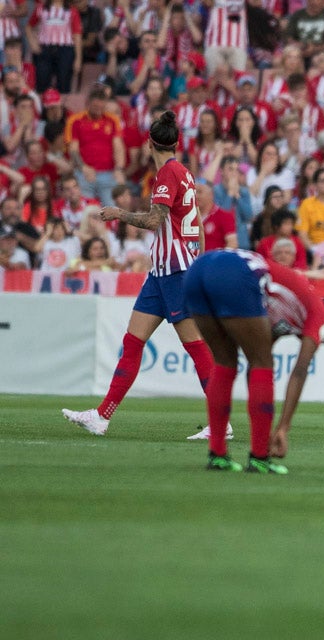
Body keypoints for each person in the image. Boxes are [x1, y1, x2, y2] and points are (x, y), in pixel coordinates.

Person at [62, 111, 220, 440]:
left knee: (196, 347)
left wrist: (118, 213)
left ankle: (221, 423)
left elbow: (154, 222)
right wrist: (200, 258)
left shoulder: (167, 176)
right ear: (176, 143)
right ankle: (102, 416)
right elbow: (197, 222)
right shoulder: (186, 174)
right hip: (163, 272)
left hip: (175, 272)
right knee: (133, 343)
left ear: (149, 144)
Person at [183, 248, 324, 473]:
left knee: (225, 364)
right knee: (263, 365)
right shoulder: (321, 316)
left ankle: (218, 455)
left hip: (197, 270)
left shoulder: (285, 310)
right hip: (235, 272)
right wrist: (283, 427)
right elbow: (299, 371)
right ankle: (259, 457)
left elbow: (254, 368)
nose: (321, 342)